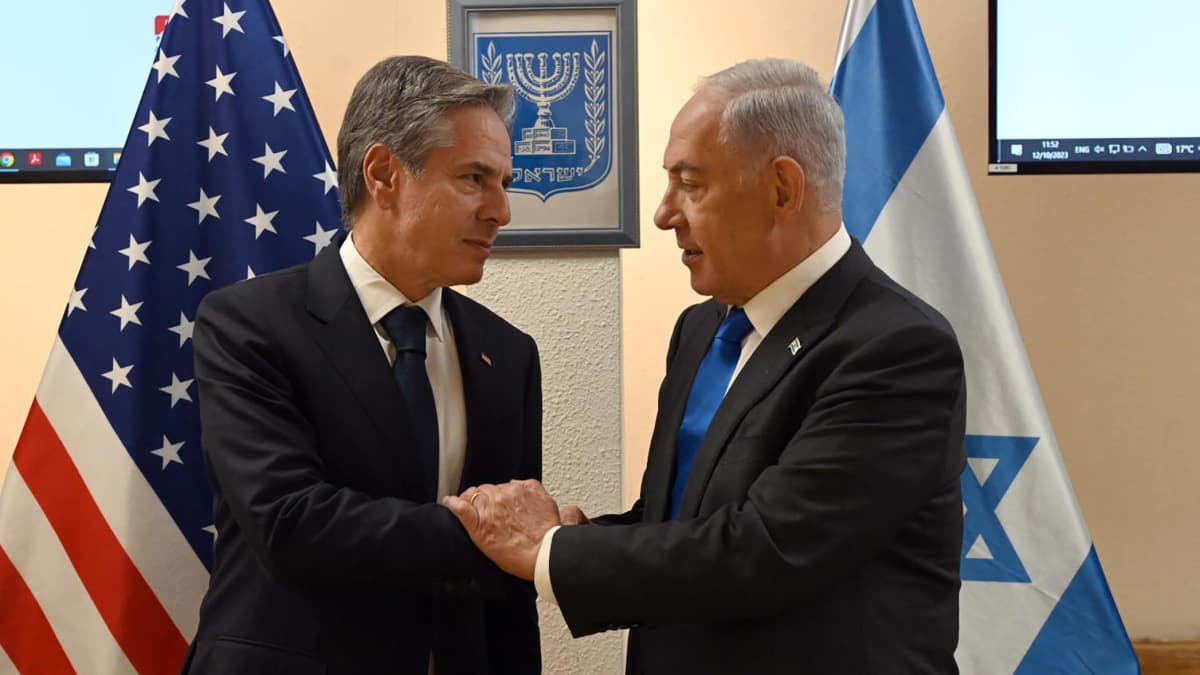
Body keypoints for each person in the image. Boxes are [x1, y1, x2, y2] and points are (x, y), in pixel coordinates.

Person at [445, 58, 967, 674]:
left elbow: (764, 550)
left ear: (782, 189)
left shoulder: (895, 348)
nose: (665, 214)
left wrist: (550, 550)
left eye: (691, 185)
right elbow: (678, 522)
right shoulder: (703, 329)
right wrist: (582, 533)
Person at [182, 55, 541, 675]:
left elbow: (509, 597)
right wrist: (504, 536)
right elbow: (290, 523)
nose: (501, 210)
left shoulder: (507, 354)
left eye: (504, 183)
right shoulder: (249, 325)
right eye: (475, 179)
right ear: (384, 175)